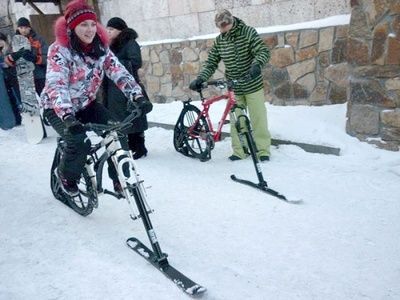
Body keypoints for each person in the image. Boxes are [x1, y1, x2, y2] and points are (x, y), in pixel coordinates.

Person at [40, 0, 152, 197]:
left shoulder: (101, 48)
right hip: (57, 108)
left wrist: (137, 95)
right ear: (72, 27)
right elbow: (56, 85)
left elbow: (119, 71)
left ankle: (120, 179)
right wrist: (67, 116)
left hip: (86, 104)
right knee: (78, 141)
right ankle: (66, 176)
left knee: (116, 132)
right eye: (83, 24)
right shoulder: (59, 50)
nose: (89, 29)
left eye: (92, 24)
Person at [189, 9, 271, 161]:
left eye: (225, 25)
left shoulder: (248, 32)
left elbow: (262, 51)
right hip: (234, 87)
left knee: (258, 117)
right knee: (236, 120)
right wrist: (201, 78)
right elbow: (211, 62)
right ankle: (240, 151)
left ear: (231, 21)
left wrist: (257, 65)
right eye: (220, 27)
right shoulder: (220, 40)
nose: (223, 29)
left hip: (252, 84)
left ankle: (263, 150)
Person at [104, 17, 150, 159]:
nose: (108, 32)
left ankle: (140, 147)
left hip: (128, 86)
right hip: (113, 88)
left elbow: (135, 62)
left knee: (134, 116)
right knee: (121, 118)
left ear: (120, 30)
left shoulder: (130, 42)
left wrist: (116, 65)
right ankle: (129, 145)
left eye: (111, 29)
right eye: (108, 29)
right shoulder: (111, 45)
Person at [5, 17, 48, 95]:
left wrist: (35, 58)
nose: (24, 30)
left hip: (39, 76)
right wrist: (13, 58)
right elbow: (6, 61)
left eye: (26, 27)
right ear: (18, 28)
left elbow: (47, 58)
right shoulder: (14, 42)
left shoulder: (39, 39)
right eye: (21, 28)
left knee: (44, 99)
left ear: (30, 28)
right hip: (23, 78)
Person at [0, 32, 22, 126]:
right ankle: (13, 119)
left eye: (1, 40)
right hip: (3, 80)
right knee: (8, 99)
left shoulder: (9, 49)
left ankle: (18, 117)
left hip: (12, 78)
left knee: (15, 97)